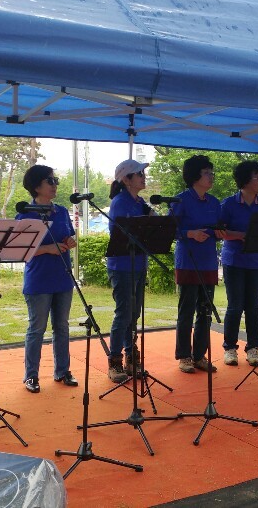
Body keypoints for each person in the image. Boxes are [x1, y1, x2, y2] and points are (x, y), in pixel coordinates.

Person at [16, 165, 79, 394]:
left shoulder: (61, 211)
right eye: (50, 181)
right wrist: (47, 249)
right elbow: (21, 251)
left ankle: (62, 371)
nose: (55, 185)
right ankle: (31, 375)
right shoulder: (25, 214)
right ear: (36, 186)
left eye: (55, 180)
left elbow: (68, 237)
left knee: (62, 326)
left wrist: (69, 242)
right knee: (37, 328)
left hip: (63, 277)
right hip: (39, 280)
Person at [170, 155, 225, 373]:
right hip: (188, 261)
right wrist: (190, 233)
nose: (211, 177)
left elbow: (218, 228)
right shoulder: (180, 200)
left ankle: (199, 355)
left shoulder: (214, 202)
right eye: (206, 173)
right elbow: (169, 229)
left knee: (205, 311)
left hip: (208, 261)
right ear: (194, 176)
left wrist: (219, 233)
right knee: (187, 311)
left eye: (212, 172)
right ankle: (184, 356)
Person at [105, 159, 151, 383]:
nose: (143, 177)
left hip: (139, 264)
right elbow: (120, 235)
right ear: (126, 179)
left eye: (143, 173)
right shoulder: (120, 202)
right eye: (139, 173)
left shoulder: (140, 202)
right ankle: (115, 361)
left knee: (134, 314)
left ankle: (132, 358)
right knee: (123, 313)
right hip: (122, 266)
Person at [219, 160, 258, 367]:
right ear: (245, 179)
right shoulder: (229, 204)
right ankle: (230, 348)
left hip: (256, 261)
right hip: (234, 260)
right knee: (235, 306)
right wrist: (241, 235)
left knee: (253, 307)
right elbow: (220, 231)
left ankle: (253, 348)